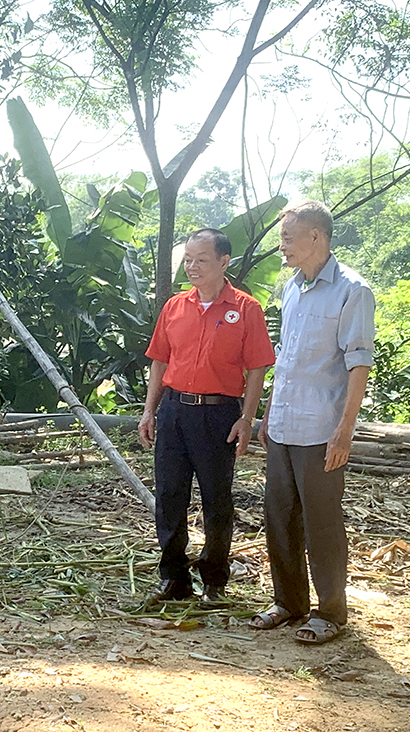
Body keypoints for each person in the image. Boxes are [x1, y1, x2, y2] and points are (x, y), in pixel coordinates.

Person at [250, 200, 374, 644]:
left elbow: (358, 364)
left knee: (322, 521)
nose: (281, 246)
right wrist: (267, 414)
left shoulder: (352, 291)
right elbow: (286, 361)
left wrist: (345, 429)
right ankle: (289, 602)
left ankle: (330, 613)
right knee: (279, 516)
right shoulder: (290, 288)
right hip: (284, 423)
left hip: (322, 428)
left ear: (315, 237)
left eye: (287, 237)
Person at [138, 229, 275, 607]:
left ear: (223, 262)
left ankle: (214, 581)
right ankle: (174, 579)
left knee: (217, 499)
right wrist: (150, 410)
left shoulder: (246, 309)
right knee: (168, 496)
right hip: (175, 411)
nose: (193, 267)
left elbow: (258, 368)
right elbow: (159, 360)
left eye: (201, 259)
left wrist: (247, 418)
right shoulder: (175, 306)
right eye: (188, 259)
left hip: (219, 414)